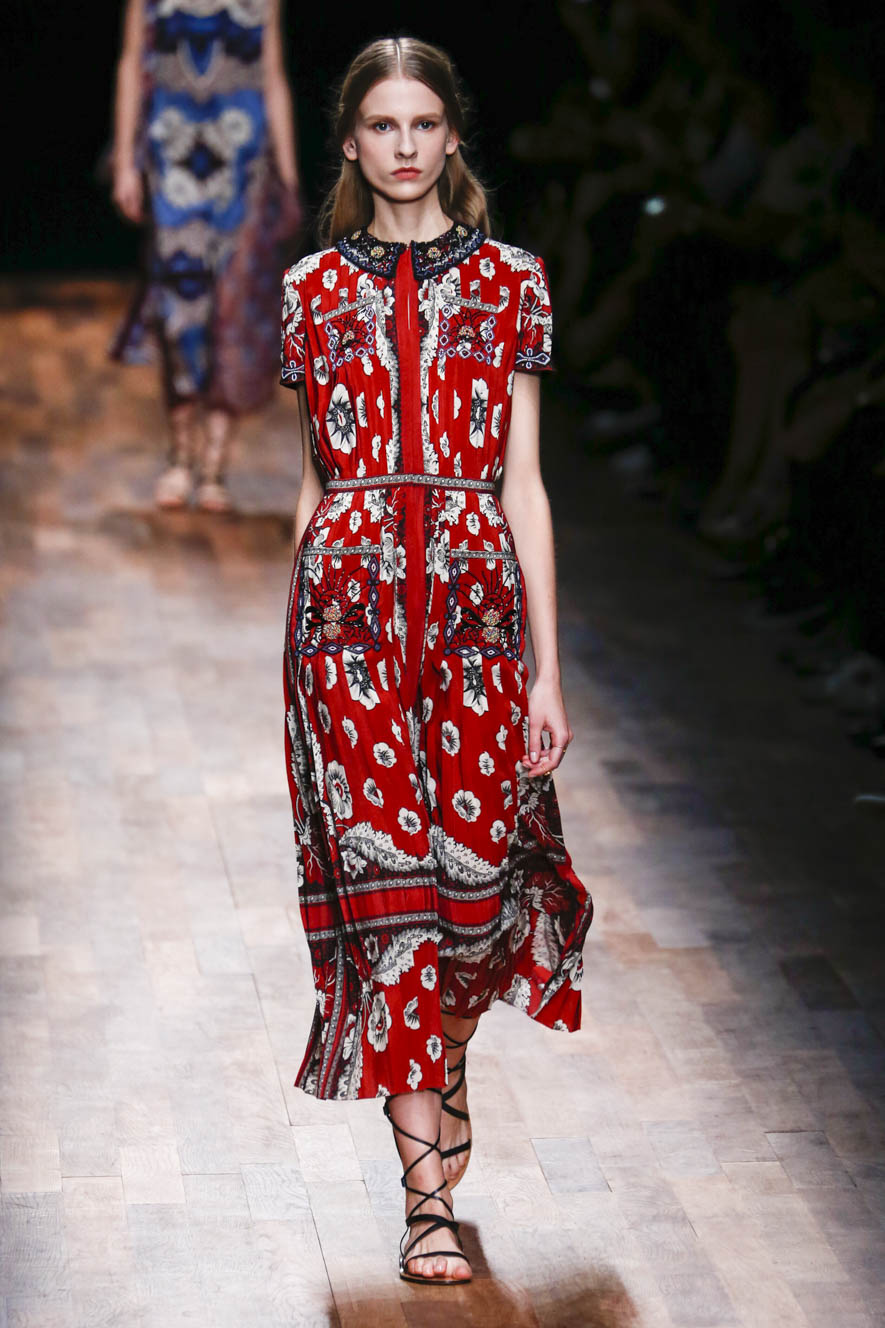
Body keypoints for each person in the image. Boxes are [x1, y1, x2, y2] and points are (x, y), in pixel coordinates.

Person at [280, 36, 593, 1286]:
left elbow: (526, 485)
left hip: (474, 615)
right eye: (381, 125)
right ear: (351, 142)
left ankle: (443, 1052)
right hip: (348, 619)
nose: (403, 145)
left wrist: (548, 672)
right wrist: (297, 650)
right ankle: (425, 1199)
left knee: (473, 893)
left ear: (452, 134)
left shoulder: (514, 281)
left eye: (422, 123)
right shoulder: (310, 289)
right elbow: (314, 482)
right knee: (390, 897)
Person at [110, 0, 301, 512]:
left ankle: (215, 464)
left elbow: (273, 76)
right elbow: (131, 62)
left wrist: (287, 175)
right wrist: (125, 162)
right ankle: (180, 455)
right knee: (179, 305)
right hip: (172, 154)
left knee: (234, 306)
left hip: (244, 158)